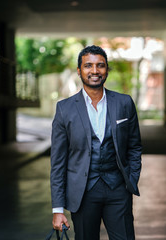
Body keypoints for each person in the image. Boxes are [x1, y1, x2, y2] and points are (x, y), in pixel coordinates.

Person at [50, 45, 142, 240]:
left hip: (118, 190)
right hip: (83, 193)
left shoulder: (124, 103)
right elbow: (58, 162)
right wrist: (57, 209)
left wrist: (131, 179)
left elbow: (134, 146)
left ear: (107, 69)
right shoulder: (64, 109)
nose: (94, 71)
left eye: (100, 65)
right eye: (88, 65)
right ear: (79, 70)